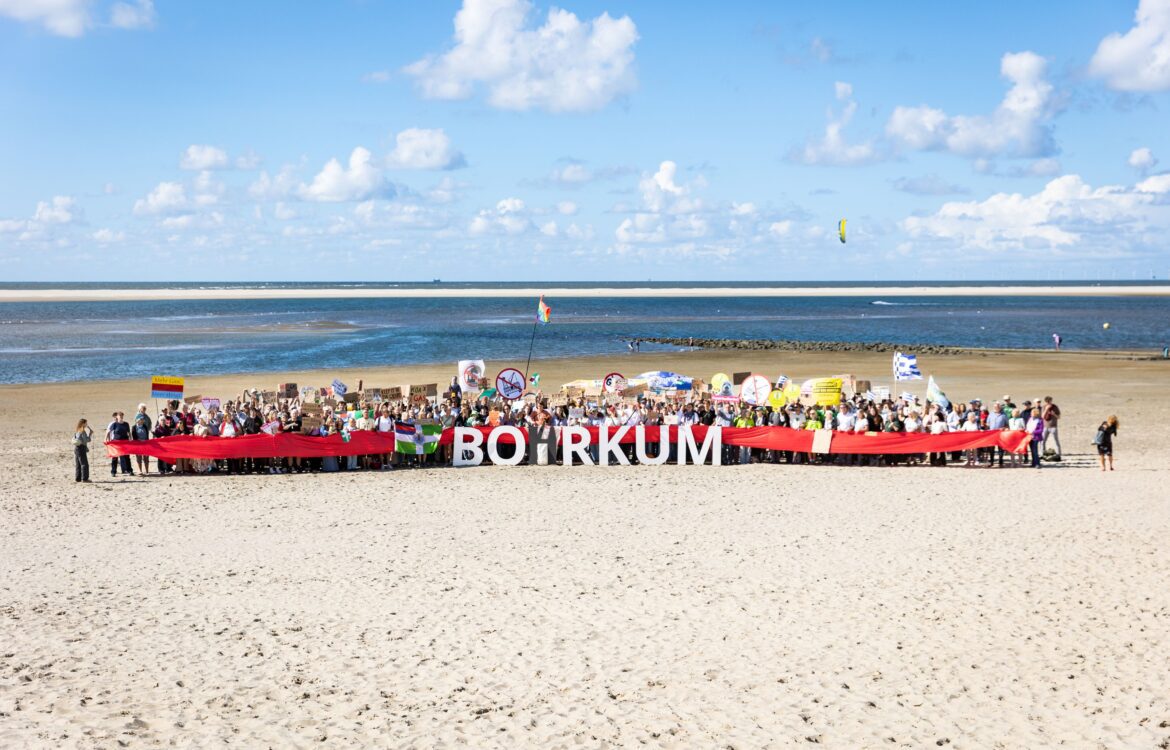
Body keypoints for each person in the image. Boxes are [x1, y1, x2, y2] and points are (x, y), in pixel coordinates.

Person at [106, 411, 132, 476]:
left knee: (127, 457)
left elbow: (129, 432)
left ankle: (129, 470)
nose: (121, 417)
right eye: (119, 416)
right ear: (117, 417)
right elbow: (108, 431)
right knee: (115, 457)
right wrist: (107, 440)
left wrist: (131, 439)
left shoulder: (126, 424)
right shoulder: (114, 424)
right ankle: (113, 472)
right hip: (116, 443)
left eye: (122, 415)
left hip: (125, 442)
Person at [1041, 396, 1061, 461]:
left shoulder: (1055, 407)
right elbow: (1042, 416)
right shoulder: (1044, 407)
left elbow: (1059, 417)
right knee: (1043, 441)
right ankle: (1043, 454)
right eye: (1047, 401)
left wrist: (1054, 414)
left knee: (1056, 441)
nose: (1049, 402)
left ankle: (1059, 455)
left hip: (1053, 427)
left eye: (1050, 401)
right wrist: (1046, 409)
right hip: (1045, 427)